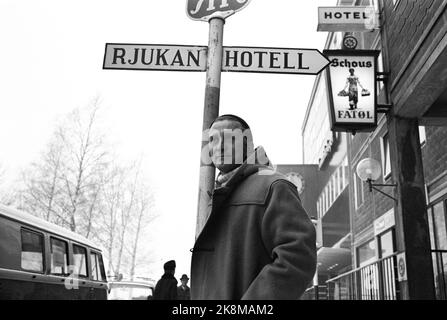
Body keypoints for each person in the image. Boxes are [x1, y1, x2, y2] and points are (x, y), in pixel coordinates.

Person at [190, 114, 317, 300]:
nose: (219, 147)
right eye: (212, 141)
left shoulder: (274, 186)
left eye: (228, 138)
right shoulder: (219, 195)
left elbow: (297, 258)